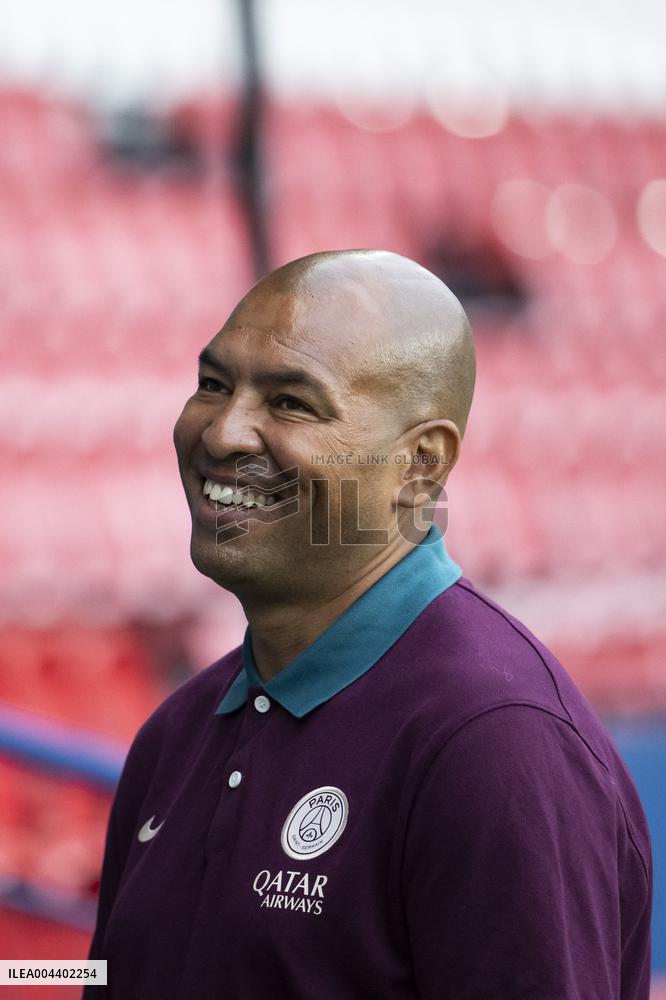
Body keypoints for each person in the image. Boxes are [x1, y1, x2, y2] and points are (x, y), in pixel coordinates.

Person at [85, 250, 652, 999]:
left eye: (291, 402)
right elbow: (101, 974)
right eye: (213, 385)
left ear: (421, 465)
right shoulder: (176, 733)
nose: (223, 433)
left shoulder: (496, 744)